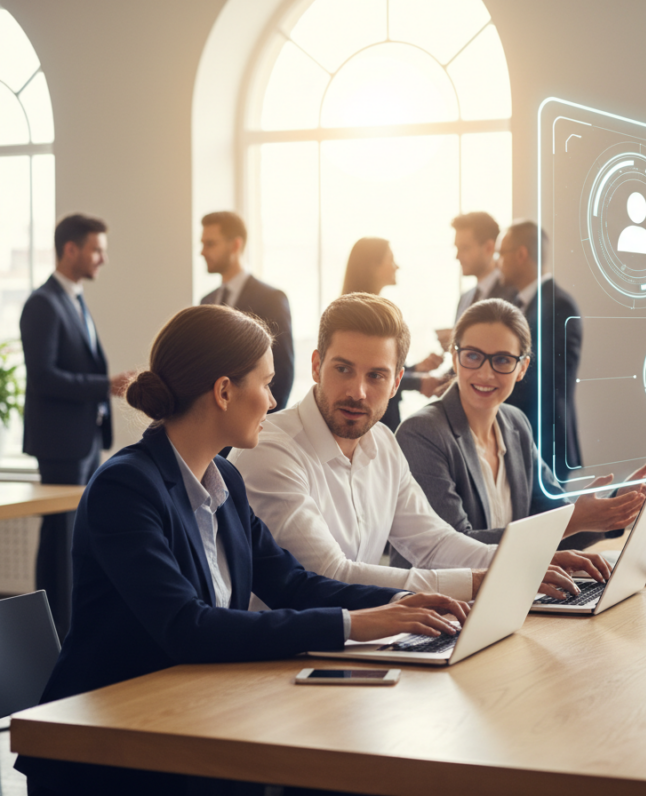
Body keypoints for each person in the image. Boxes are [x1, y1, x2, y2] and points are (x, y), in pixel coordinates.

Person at [15, 305, 466, 796]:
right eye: (267, 383)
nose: (273, 402)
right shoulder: (125, 487)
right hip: (113, 749)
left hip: (198, 715)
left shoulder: (224, 477)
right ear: (224, 391)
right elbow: (187, 627)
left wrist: (398, 607)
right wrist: (356, 624)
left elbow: (292, 583)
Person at [230, 293, 610, 604]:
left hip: (356, 644)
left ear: (397, 382)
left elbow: (434, 543)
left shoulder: (383, 443)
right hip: (274, 664)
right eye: (343, 369)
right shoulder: (271, 449)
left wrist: (521, 563)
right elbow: (330, 574)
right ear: (316, 366)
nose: (357, 392)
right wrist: (478, 582)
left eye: (376, 375)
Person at [396, 298, 646, 562]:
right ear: (455, 357)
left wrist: (613, 507)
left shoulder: (516, 425)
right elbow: (453, 549)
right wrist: (571, 521)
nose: (486, 374)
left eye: (502, 360)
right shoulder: (421, 433)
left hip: (511, 592)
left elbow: (554, 522)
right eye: (473, 356)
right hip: (443, 601)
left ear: (521, 368)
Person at [19, 214, 135, 639]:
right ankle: (49, 632)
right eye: (96, 249)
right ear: (71, 249)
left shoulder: (75, 299)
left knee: (73, 540)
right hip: (61, 444)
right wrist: (106, 386)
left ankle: (69, 627)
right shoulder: (43, 303)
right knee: (59, 540)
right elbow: (44, 376)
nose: (103, 258)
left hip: (85, 440)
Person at [498, 220, 583, 471]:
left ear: (521, 254)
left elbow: (544, 380)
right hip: (523, 439)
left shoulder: (558, 306)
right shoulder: (518, 302)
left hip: (544, 443)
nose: (497, 262)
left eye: (500, 254)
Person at [341, 237, 444, 431]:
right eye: (391, 259)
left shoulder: (378, 311)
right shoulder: (358, 317)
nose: (397, 266)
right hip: (372, 420)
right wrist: (418, 381)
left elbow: (379, 371)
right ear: (373, 265)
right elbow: (368, 375)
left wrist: (415, 368)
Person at [199, 211, 294, 410]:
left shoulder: (271, 299)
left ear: (235, 245)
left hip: (255, 421)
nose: (202, 252)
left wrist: (267, 426)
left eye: (210, 244)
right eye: (203, 244)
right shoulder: (206, 301)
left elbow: (283, 370)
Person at [436, 212, 518, 350]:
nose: (457, 256)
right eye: (457, 248)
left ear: (489, 248)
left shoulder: (513, 295)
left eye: (464, 248)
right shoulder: (465, 298)